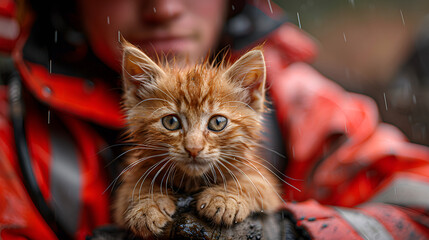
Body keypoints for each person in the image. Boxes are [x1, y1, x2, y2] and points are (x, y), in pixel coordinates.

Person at [0, 0, 428, 239]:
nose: (163, 7)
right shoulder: (13, 130)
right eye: (171, 123)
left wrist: (295, 233)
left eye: (217, 124)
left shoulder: (304, 104)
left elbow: (420, 204)